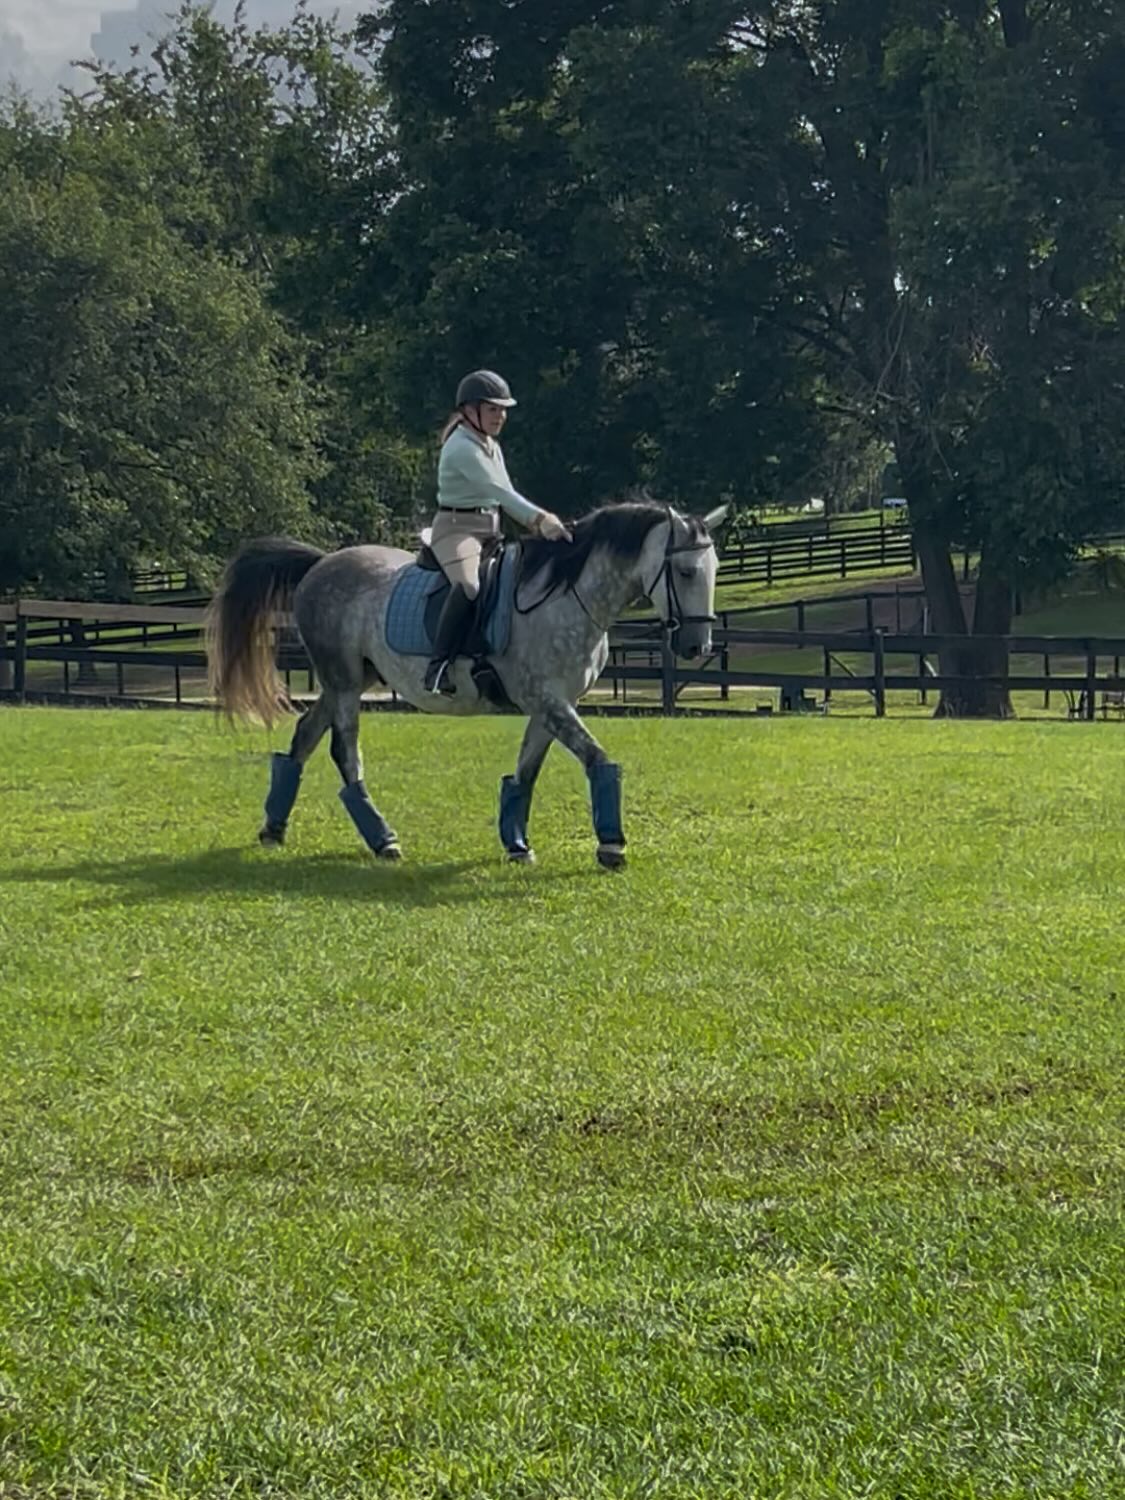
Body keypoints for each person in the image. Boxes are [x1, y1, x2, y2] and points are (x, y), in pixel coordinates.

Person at [424, 369, 572, 695]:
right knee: (469, 585)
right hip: (455, 531)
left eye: (503, 410)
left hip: (490, 531)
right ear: (470, 410)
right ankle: (437, 666)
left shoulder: (490, 444)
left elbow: (505, 492)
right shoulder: (462, 448)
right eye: (493, 409)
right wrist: (541, 520)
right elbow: (501, 493)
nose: (501, 416)